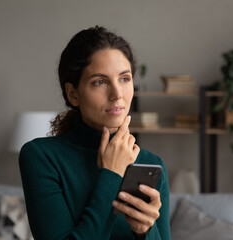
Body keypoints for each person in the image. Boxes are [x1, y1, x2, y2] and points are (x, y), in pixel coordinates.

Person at [19, 26, 170, 240]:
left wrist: (145, 230)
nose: (117, 94)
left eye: (125, 79)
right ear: (73, 94)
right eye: (100, 82)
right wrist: (111, 174)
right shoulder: (41, 157)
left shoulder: (150, 163)